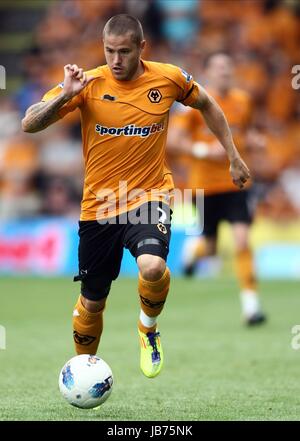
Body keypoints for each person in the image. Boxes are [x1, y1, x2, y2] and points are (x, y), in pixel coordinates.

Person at [22, 15, 250, 378]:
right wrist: (65, 95)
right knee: (93, 302)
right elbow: (29, 122)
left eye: (124, 51)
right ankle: (85, 370)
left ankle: (148, 328)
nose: (115, 59)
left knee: (153, 266)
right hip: (99, 206)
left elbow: (208, 104)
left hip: (149, 195)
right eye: (109, 51)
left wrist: (233, 156)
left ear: (141, 48)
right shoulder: (88, 83)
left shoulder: (169, 78)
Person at [167, 53, 266, 326]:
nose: (224, 72)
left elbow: (244, 131)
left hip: (237, 183)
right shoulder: (192, 105)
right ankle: (194, 252)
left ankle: (251, 306)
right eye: (218, 68)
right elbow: (173, 142)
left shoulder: (243, 101)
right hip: (204, 187)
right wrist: (201, 150)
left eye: (227, 67)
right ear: (207, 72)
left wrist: (254, 141)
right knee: (210, 249)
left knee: (242, 240)